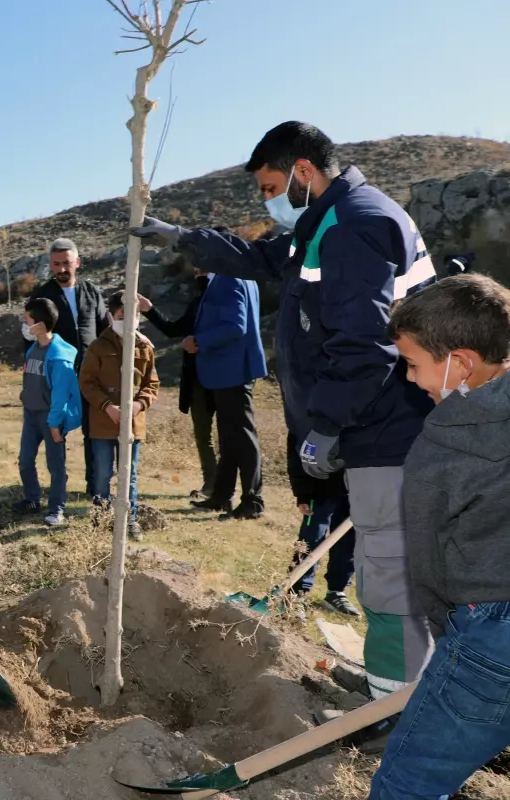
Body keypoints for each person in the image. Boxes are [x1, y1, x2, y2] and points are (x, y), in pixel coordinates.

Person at [131, 121, 435, 708]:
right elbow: (260, 259)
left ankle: (395, 709)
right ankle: (387, 682)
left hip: (385, 425)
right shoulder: (324, 223)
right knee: (380, 560)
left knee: (391, 569)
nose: (268, 199)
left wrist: (326, 424)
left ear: (302, 172)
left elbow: (364, 344)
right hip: (370, 422)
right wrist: (180, 237)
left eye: (271, 185)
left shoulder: (353, 227)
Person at [365, 274, 510, 799]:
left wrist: (452, 645)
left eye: (412, 363)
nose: (408, 378)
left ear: (462, 363)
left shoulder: (440, 449)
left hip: (491, 633)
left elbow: (426, 566)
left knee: (409, 783)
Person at [26, 238, 109, 498]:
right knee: (56, 431)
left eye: (67, 264)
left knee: (93, 431)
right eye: (56, 264)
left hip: (91, 375)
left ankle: (94, 487)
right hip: (58, 376)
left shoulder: (91, 291)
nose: (62, 269)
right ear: (50, 265)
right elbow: (29, 336)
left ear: (78, 263)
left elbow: (105, 329)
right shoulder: (41, 295)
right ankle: (57, 493)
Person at [187, 270, 267, 519]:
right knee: (230, 436)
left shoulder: (228, 280)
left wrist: (199, 341)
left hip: (233, 370)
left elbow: (235, 325)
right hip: (230, 371)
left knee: (242, 436)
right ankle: (222, 496)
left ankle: (252, 501)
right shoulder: (241, 277)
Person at [79, 291, 159, 539]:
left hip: (133, 425)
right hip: (103, 423)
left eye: (133, 315)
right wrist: (108, 407)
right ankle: (100, 517)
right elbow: (87, 382)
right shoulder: (98, 347)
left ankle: (129, 519)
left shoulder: (145, 347)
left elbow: (152, 383)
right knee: (102, 473)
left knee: (129, 474)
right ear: (111, 316)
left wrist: (138, 405)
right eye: (122, 315)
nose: (128, 320)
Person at [138, 278, 216, 498]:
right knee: (203, 436)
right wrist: (150, 310)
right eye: (198, 268)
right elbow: (174, 330)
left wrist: (200, 342)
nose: (199, 272)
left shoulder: (230, 298)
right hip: (198, 381)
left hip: (226, 378)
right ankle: (211, 484)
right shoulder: (197, 302)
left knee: (231, 436)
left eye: (205, 269)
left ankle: (228, 489)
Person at [13, 297, 82, 527]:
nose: (24, 325)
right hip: (31, 415)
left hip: (50, 419)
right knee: (24, 460)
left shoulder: (59, 357)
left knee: (55, 466)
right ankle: (32, 500)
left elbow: (61, 394)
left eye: (27, 320)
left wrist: (54, 423)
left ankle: (57, 509)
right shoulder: (33, 349)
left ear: (40, 325)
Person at [285, 430, 359, 616]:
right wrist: (302, 491)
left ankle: (336, 591)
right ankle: (297, 591)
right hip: (319, 486)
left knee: (348, 540)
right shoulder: (311, 408)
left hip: (356, 485)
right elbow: (296, 444)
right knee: (311, 537)